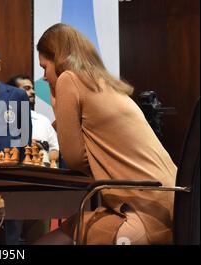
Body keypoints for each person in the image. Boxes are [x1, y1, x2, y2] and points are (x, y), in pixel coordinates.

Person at [35, 23, 177, 245]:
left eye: (44, 67)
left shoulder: (68, 79)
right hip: (174, 205)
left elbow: (73, 158)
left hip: (139, 212)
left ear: (59, 58)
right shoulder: (105, 84)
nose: (44, 77)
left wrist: (54, 102)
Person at [7, 74, 59, 167]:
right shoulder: (2, 119)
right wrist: (26, 144)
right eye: (27, 88)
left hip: (42, 172)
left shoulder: (43, 120)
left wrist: (42, 152)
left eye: (32, 88)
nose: (33, 92)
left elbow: (55, 149)